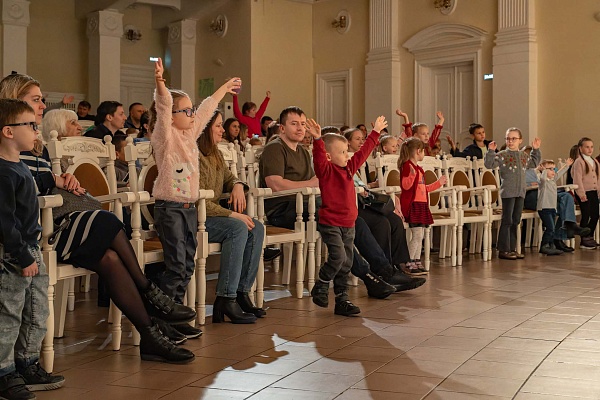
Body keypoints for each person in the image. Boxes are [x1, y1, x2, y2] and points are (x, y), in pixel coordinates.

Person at [0, 72, 196, 366]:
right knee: (106, 221)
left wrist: (60, 179)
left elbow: (35, 182)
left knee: (110, 259)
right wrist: (52, 180)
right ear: (14, 103)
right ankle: (150, 293)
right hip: (37, 233)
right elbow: (17, 192)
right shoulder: (7, 151)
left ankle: (150, 336)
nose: (42, 106)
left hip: (54, 221)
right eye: (36, 100)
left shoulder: (35, 146)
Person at [259, 106, 424, 298]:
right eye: (294, 124)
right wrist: (311, 184)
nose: (300, 128)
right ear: (282, 128)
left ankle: (385, 272)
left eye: (303, 124)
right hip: (285, 210)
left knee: (358, 221)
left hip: (309, 204)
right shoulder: (275, 148)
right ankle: (371, 277)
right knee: (339, 221)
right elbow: (275, 185)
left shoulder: (302, 151)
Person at [150, 58, 241, 337]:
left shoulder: (190, 134)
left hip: (189, 209)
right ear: (171, 115)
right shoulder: (165, 136)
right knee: (176, 266)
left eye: (191, 110)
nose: (192, 114)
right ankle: (161, 323)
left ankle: (175, 320)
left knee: (187, 265)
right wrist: (160, 84)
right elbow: (164, 106)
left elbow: (206, 109)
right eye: (185, 110)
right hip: (170, 209)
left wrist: (223, 88)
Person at [0, 99, 64, 400]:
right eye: (31, 125)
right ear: (8, 131)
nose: (37, 131)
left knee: (37, 309)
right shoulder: (3, 172)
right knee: (9, 314)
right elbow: (4, 222)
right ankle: (4, 372)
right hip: (14, 254)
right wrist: (22, 255)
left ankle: (26, 362)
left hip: (31, 249)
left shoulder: (19, 164)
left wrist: (52, 178)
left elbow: (30, 186)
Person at [308, 116, 386, 316]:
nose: (347, 155)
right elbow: (318, 157)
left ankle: (342, 298)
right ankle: (322, 283)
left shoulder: (349, 169)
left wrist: (376, 132)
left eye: (346, 151)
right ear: (328, 156)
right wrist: (317, 139)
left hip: (348, 223)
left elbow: (363, 152)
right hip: (331, 223)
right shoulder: (326, 171)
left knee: (347, 262)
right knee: (339, 257)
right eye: (342, 152)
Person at [198, 111, 265, 323]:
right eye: (218, 126)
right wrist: (233, 214)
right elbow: (196, 200)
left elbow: (230, 178)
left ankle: (240, 292)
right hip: (195, 218)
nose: (222, 130)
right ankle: (226, 297)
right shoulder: (193, 155)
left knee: (257, 227)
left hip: (211, 215)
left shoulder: (215, 153)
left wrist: (237, 185)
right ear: (205, 128)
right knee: (238, 227)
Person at [484, 128, 541, 260]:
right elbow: (489, 164)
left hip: (520, 192)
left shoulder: (523, 156)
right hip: (508, 192)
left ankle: (512, 248)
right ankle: (504, 249)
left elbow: (533, 163)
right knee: (507, 220)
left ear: (520, 140)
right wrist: (491, 151)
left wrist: (536, 149)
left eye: (513, 139)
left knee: (516, 220)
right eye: (508, 139)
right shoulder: (503, 155)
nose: (510, 141)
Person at [397, 138, 447, 274]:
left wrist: (438, 183)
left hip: (421, 205)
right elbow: (405, 186)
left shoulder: (418, 169)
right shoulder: (407, 166)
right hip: (414, 205)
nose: (424, 153)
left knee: (421, 235)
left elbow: (424, 189)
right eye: (423, 151)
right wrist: (412, 177)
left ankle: (416, 261)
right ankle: (408, 262)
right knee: (417, 235)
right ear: (418, 151)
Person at [537, 158, 574, 255]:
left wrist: (567, 165)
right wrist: (543, 170)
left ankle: (551, 246)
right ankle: (544, 246)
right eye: (550, 169)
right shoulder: (542, 181)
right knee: (550, 228)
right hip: (544, 208)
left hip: (552, 208)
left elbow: (559, 173)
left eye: (554, 169)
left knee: (552, 228)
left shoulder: (552, 180)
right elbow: (542, 179)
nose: (553, 171)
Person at [571, 137, 600, 249]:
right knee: (586, 215)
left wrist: (598, 191)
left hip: (593, 192)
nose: (590, 149)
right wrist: (581, 194)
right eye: (587, 147)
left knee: (595, 214)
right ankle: (584, 239)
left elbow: (598, 178)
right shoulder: (579, 162)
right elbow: (577, 179)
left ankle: (589, 236)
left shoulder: (595, 162)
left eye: (591, 147)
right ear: (580, 148)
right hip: (584, 192)